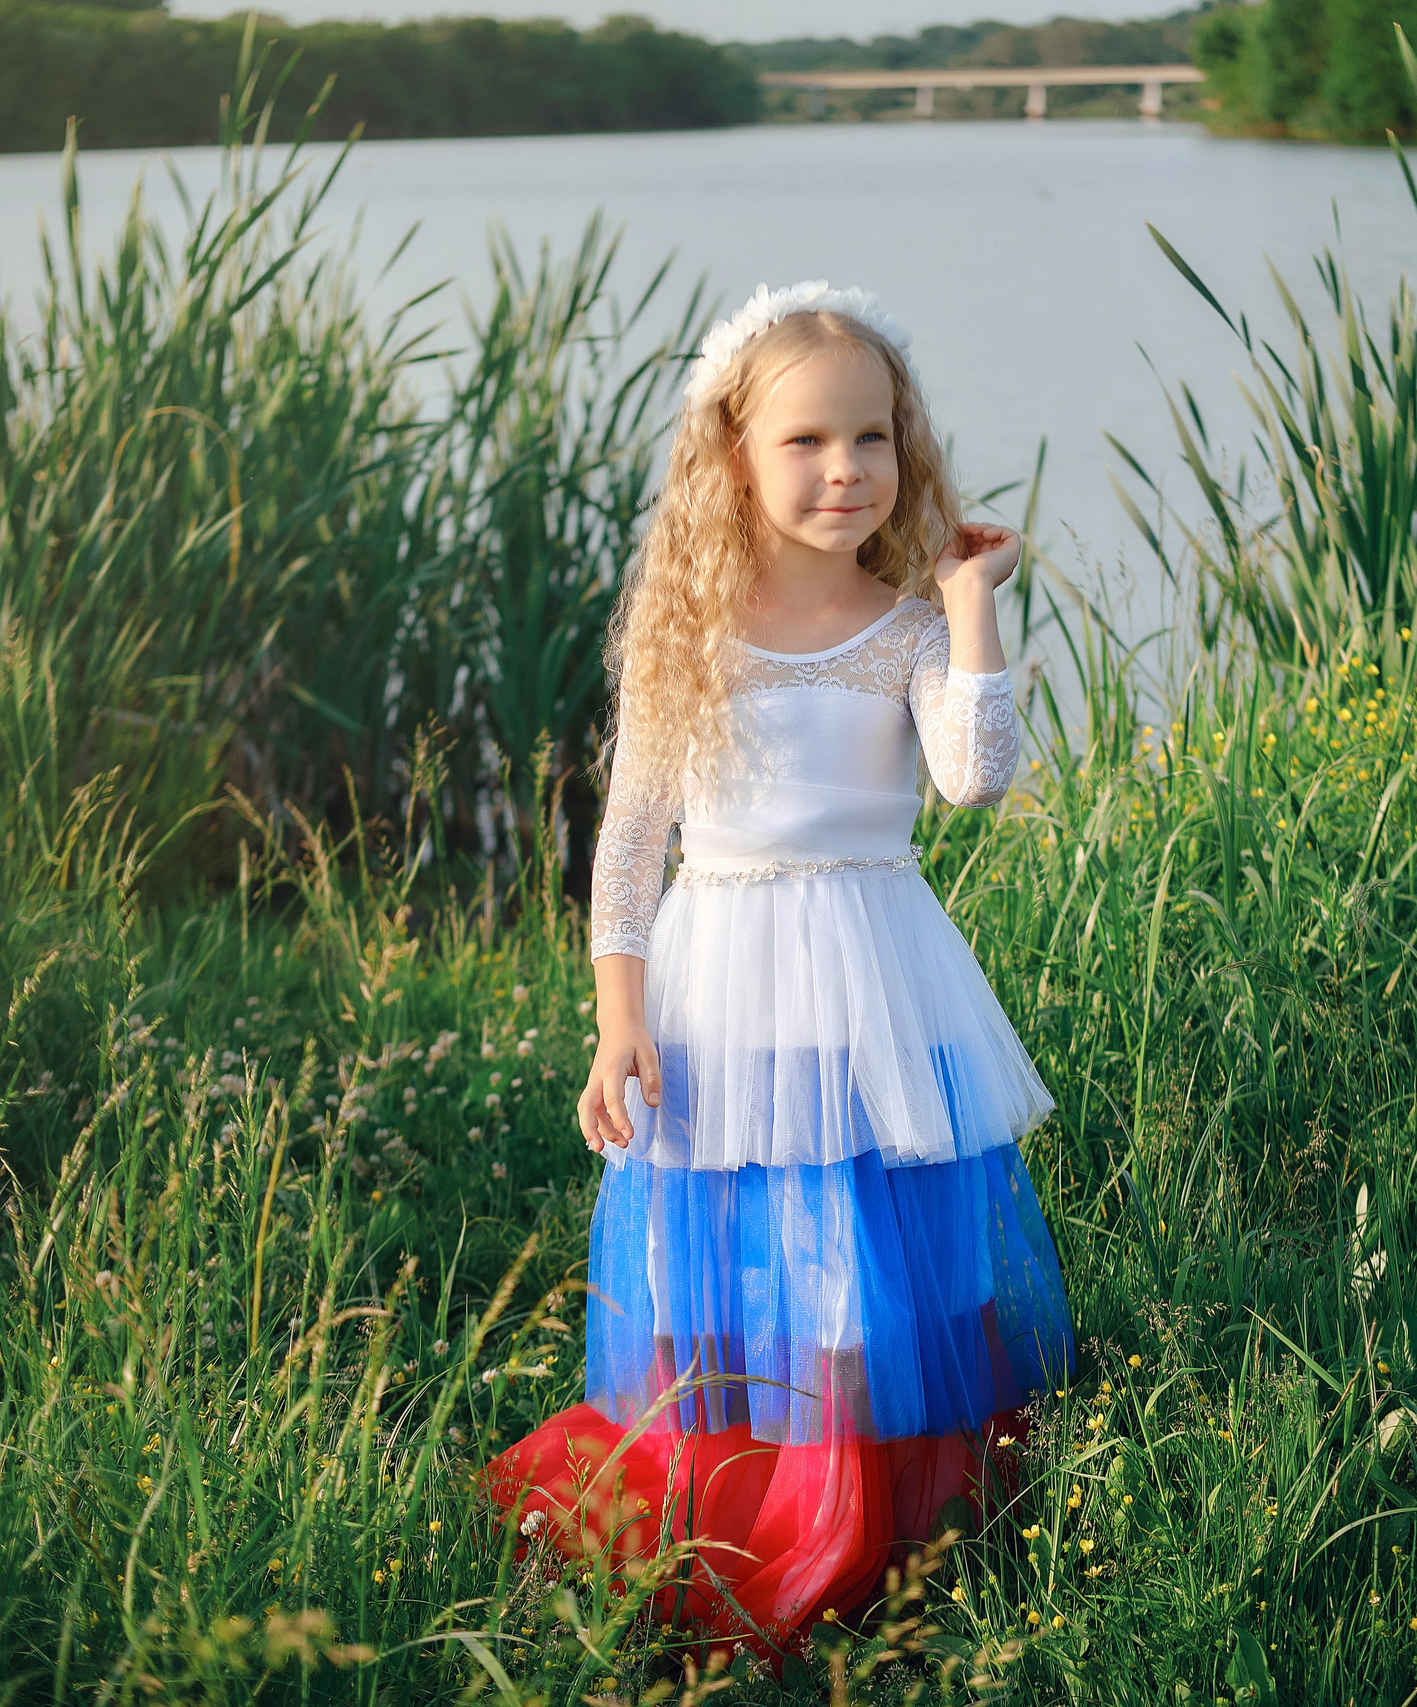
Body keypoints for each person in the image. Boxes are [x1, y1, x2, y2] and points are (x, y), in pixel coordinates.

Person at [486, 281, 1074, 1661]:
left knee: (875, 1236)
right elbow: (631, 844)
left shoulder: (907, 630)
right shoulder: (684, 631)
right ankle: (745, 1497)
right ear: (734, 456)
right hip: (724, 976)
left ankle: (877, 1507)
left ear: (904, 451)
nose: (846, 470)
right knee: (746, 1245)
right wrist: (615, 1018)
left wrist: (972, 602)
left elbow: (975, 780)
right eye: (807, 441)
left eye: (872, 439)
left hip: (876, 971)